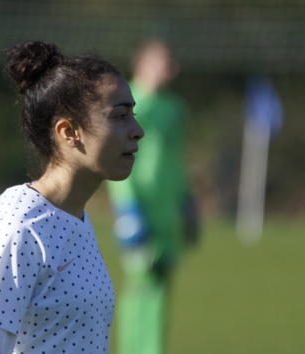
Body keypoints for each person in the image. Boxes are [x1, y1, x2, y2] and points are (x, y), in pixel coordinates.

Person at [0, 41, 144, 354]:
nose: (137, 130)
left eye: (133, 114)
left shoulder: (77, 218)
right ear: (68, 131)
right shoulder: (21, 223)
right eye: (119, 116)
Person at [106, 39, 199, 354]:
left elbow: (176, 160)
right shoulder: (127, 104)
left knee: (161, 287)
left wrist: (187, 201)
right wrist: (127, 206)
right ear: (143, 64)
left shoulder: (175, 109)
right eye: (164, 62)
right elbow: (114, 156)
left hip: (168, 213)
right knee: (141, 287)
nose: (172, 69)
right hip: (140, 211)